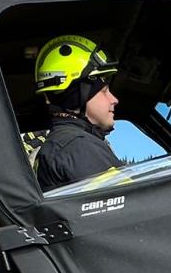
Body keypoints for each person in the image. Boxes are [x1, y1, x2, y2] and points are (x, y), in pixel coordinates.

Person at [32, 35, 122, 190]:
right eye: (104, 91)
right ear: (77, 95)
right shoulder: (77, 145)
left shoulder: (64, 142)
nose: (114, 99)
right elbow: (130, 207)